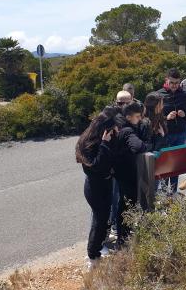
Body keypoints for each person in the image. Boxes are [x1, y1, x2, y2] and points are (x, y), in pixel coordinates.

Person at [75, 106, 120, 270]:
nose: (117, 129)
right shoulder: (89, 143)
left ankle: (97, 252)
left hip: (106, 184)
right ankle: (92, 256)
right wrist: (104, 145)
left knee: (103, 220)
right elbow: (96, 166)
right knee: (98, 222)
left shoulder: (109, 138)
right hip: (95, 188)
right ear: (104, 128)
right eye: (114, 126)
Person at [113, 102, 148, 245]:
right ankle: (123, 238)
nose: (139, 119)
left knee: (124, 204)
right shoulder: (128, 130)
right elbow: (138, 147)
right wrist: (148, 145)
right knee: (127, 205)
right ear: (128, 117)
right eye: (137, 116)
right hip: (127, 174)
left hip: (122, 173)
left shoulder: (123, 127)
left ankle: (123, 236)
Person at [158, 68, 186, 192]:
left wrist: (185, 115)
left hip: (180, 134)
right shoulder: (159, 95)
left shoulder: (184, 94)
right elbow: (153, 118)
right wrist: (166, 118)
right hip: (165, 135)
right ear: (166, 80)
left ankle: (172, 192)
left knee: (176, 165)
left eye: (177, 83)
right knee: (165, 164)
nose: (174, 86)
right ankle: (162, 192)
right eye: (171, 83)